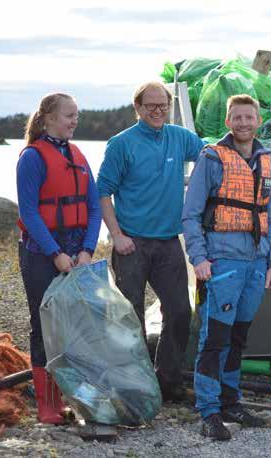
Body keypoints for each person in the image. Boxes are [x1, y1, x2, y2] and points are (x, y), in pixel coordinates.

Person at [97, 81, 206, 402]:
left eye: (163, 106)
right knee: (131, 317)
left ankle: (168, 381)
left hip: (169, 242)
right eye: (151, 106)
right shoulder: (121, 144)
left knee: (180, 311)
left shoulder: (179, 138)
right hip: (132, 244)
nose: (158, 112)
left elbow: (211, 154)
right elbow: (102, 191)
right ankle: (135, 385)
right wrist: (116, 236)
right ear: (138, 109)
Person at [182, 94, 271, 441]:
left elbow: (269, 218)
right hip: (222, 261)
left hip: (256, 263)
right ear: (228, 122)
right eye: (236, 117)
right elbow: (191, 214)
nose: (243, 123)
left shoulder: (266, 161)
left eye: (248, 117)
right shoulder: (211, 158)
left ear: (258, 121)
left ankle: (230, 400)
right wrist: (199, 259)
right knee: (215, 339)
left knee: (238, 338)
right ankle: (209, 412)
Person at [17, 93, 102, 424]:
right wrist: (55, 253)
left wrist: (87, 250)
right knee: (43, 327)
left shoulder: (78, 154)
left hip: (77, 254)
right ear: (48, 117)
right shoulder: (31, 158)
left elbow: (94, 207)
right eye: (69, 115)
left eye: (77, 116)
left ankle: (67, 399)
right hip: (42, 253)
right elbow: (29, 211)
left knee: (73, 329)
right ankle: (46, 407)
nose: (74, 121)